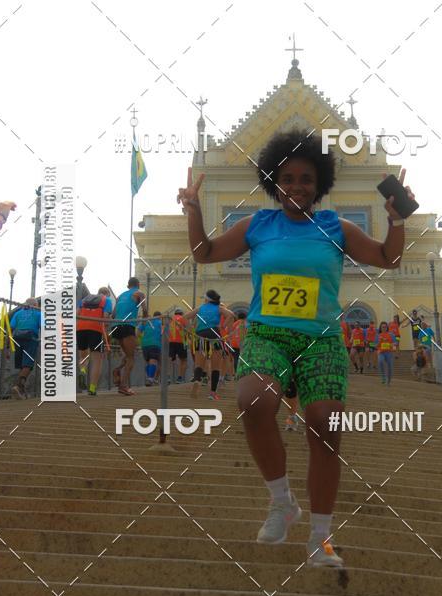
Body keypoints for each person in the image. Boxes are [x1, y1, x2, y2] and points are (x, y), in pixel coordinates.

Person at [177, 129, 414, 568]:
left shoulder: (336, 227)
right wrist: (193, 209)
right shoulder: (258, 225)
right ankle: (282, 502)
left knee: (325, 425)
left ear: (319, 183)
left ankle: (320, 538)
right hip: (268, 334)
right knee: (253, 400)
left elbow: (389, 259)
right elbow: (204, 252)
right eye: (287, 178)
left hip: (321, 339)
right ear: (274, 182)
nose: (297, 186)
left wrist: (397, 221)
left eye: (306, 178)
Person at [183, 290, 235, 401]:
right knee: (215, 366)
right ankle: (212, 393)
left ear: (206, 299)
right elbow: (231, 315)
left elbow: (186, 317)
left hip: (200, 335)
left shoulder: (200, 308)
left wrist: (190, 329)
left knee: (199, 364)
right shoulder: (219, 308)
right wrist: (223, 326)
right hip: (214, 333)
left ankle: (197, 380)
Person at [112, 277, 147, 396]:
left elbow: (113, 314)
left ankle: (117, 369)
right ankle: (123, 386)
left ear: (128, 286)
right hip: (128, 325)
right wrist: (144, 321)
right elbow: (145, 310)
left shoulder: (120, 296)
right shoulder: (139, 293)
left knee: (127, 355)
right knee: (131, 357)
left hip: (116, 326)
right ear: (138, 285)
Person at [77, 287, 112, 395]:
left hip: (81, 328)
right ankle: (92, 388)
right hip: (95, 329)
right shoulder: (107, 300)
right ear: (107, 293)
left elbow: (77, 314)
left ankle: (82, 370)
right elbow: (105, 317)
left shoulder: (84, 299)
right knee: (97, 360)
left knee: (83, 356)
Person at [9, 297, 41, 399]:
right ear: (35, 305)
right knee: (28, 364)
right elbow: (44, 327)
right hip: (30, 339)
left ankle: (21, 390)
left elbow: (11, 328)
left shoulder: (18, 313)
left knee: (21, 366)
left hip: (17, 338)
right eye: (37, 305)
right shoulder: (38, 313)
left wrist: (8, 345)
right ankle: (18, 386)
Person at [138, 311, 163, 386]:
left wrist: (142, 340)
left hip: (144, 344)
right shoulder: (160, 323)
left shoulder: (146, 322)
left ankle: (150, 378)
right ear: (160, 317)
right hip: (155, 344)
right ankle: (151, 379)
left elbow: (138, 332)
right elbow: (163, 333)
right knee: (154, 361)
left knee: (148, 362)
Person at [168, 309, 188, 382]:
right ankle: (180, 378)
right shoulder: (183, 318)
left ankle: (168, 376)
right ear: (182, 313)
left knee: (170, 359)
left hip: (171, 341)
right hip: (181, 341)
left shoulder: (171, 319)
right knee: (183, 360)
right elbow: (187, 329)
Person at [229, 312, 247, 377]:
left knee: (235, 358)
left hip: (233, 343)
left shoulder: (234, 324)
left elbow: (230, 332)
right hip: (242, 343)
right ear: (245, 318)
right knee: (243, 358)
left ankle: (236, 373)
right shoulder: (245, 323)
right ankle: (241, 372)